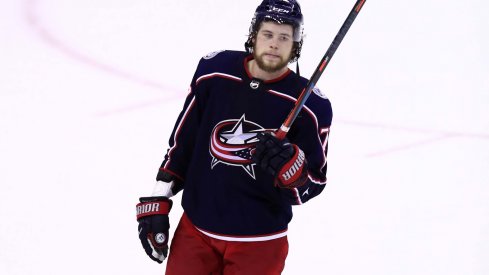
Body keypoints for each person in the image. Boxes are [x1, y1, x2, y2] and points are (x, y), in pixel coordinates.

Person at [136, 0, 332, 274]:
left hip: (260, 243)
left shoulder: (312, 106)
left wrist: (293, 171)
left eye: (284, 37)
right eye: (268, 34)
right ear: (253, 35)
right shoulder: (214, 73)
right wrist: (159, 197)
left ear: (295, 44)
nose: (274, 44)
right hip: (196, 232)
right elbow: (184, 144)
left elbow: (314, 182)